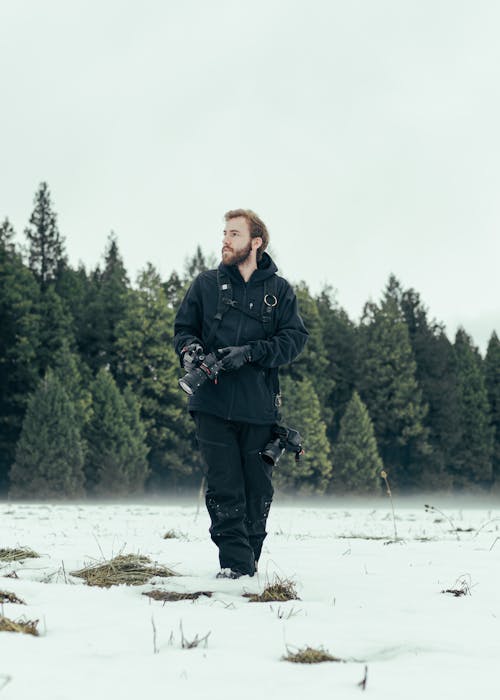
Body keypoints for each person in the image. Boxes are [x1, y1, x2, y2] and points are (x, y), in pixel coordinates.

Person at [174, 209, 308, 579]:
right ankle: (235, 568)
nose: (225, 240)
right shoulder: (204, 284)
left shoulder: (279, 292)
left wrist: (250, 353)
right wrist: (190, 352)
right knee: (224, 488)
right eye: (224, 233)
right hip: (211, 405)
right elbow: (183, 330)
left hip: (259, 407)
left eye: (234, 233)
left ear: (256, 242)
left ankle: (247, 565)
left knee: (257, 492)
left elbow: (294, 341)